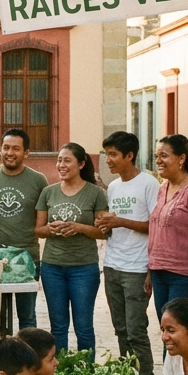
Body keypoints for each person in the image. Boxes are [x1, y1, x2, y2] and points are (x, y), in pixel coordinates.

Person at [96, 131, 159, 375]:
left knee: (136, 331)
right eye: (106, 154)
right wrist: (104, 225)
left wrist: (150, 270)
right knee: (120, 329)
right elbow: (113, 225)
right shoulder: (113, 186)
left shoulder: (148, 184)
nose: (108, 160)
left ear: (129, 156)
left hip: (136, 267)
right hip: (112, 264)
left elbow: (156, 227)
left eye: (113, 155)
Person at [35, 143, 108, 354]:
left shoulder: (95, 193)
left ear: (81, 164)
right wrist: (51, 229)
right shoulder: (48, 192)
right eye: (59, 160)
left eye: (67, 160)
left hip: (84, 268)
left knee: (84, 327)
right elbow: (38, 229)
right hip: (52, 267)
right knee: (58, 327)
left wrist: (79, 227)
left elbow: (103, 231)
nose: (61, 165)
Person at [0, 128, 47, 330]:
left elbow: (44, 218)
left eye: (16, 148)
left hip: (27, 258)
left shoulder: (38, 180)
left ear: (26, 153)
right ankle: (0, 359)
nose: (10, 153)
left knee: (27, 317)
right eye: (6, 147)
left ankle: (27, 360)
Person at [146, 134, 188, 320]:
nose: (158, 161)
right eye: (156, 156)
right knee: (166, 327)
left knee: (179, 330)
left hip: (183, 276)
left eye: (164, 156)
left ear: (182, 158)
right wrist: (149, 271)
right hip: (159, 273)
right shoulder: (163, 188)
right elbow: (156, 232)